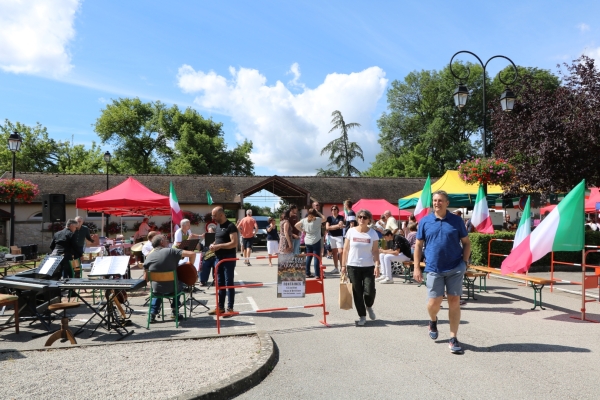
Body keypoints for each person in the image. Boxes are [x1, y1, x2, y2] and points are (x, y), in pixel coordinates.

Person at [413, 190, 471, 354]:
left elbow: (466, 242)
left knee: (454, 301)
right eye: (435, 200)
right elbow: (418, 245)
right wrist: (417, 267)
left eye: (440, 200)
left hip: (454, 267)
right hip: (433, 268)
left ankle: (453, 338)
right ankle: (433, 320)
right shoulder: (425, 221)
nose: (437, 203)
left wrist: (464, 263)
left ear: (447, 203)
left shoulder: (456, 221)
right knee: (434, 303)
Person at [143, 234, 196, 322]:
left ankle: (152, 313)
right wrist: (190, 267)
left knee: (156, 288)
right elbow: (192, 254)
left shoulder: (148, 257)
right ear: (161, 242)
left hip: (157, 289)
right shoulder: (171, 251)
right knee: (179, 282)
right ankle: (175, 312)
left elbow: (146, 279)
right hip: (173, 288)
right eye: (165, 239)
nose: (167, 241)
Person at [341, 209, 380, 326]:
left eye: (364, 217)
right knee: (357, 292)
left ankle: (369, 306)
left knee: (369, 292)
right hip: (353, 266)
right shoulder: (351, 231)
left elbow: (375, 251)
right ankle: (362, 316)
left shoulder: (373, 233)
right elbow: (345, 250)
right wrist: (343, 265)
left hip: (368, 266)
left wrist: (377, 265)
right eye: (360, 217)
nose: (361, 219)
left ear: (369, 220)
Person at [208, 206, 239, 316]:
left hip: (228, 258)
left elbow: (234, 243)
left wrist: (219, 246)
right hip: (218, 258)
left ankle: (230, 308)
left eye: (214, 215)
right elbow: (218, 239)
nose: (213, 217)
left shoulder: (231, 226)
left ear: (221, 214)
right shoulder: (218, 226)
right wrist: (214, 244)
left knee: (229, 283)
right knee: (219, 283)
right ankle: (220, 307)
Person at [296, 208, 325, 278]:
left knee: (308, 257)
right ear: (315, 213)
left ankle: (307, 273)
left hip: (307, 241)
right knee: (316, 257)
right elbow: (324, 218)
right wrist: (319, 212)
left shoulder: (304, 220)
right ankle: (317, 274)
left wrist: (302, 230)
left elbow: (296, 225)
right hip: (316, 240)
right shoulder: (317, 219)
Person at [326, 205, 345, 274]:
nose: (333, 210)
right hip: (331, 236)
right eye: (332, 209)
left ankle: (342, 268)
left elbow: (341, 224)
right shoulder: (329, 218)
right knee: (334, 252)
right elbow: (327, 227)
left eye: (335, 209)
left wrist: (332, 227)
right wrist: (337, 226)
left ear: (337, 210)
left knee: (340, 252)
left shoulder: (341, 217)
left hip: (339, 236)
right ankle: (336, 268)